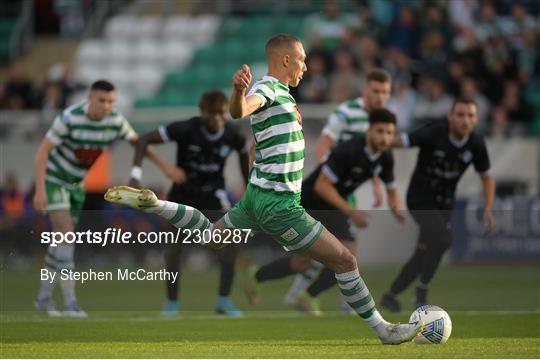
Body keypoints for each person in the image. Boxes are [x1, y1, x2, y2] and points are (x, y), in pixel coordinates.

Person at [104, 33, 422, 344]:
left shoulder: (281, 92)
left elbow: (260, 131)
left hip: (256, 197)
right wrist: (237, 93)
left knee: (211, 238)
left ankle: (154, 203)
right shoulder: (267, 87)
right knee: (345, 260)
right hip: (280, 204)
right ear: (286, 59)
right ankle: (385, 330)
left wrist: (256, 147)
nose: (306, 68)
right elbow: (241, 110)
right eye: (302, 60)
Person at [33, 80, 178, 317]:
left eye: (111, 101)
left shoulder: (115, 121)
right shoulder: (70, 118)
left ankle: (43, 298)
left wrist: (165, 167)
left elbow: (138, 143)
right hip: (55, 180)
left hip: (77, 186)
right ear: (90, 98)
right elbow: (43, 151)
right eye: (101, 100)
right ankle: (70, 302)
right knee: (66, 236)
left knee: (60, 243)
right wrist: (40, 189)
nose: (106, 106)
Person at [244, 108, 404, 316]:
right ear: (369, 131)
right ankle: (258, 276)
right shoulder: (348, 151)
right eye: (380, 131)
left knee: (346, 257)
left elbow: (392, 190)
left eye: (389, 133)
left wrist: (397, 210)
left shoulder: (385, 157)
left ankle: (307, 295)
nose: (384, 138)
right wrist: (352, 212)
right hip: (311, 202)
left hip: (335, 207)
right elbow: (322, 186)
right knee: (303, 262)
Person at [130, 90, 249, 317]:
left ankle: (223, 301)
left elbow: (244, 157)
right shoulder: (185, 129)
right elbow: (142, 139)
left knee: (230, 242)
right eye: (211, 113)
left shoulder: (233, 136)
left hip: (214, 196)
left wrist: (249, 190)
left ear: (227, 113)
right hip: (182, 196)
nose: (216, 118)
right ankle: (171, 304)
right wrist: (138, 175)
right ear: (202, 112)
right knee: (174, 250)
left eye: (221, 113)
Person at [285, 68, 393, 311]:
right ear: (365, 89)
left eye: (385, 92)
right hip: (332, 190)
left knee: (330, 249)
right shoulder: (346, 113)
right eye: (375, 91)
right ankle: (346, 303)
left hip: (346, 189)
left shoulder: (382, 120)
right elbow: (324, 144)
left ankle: (300, 295)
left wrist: (377, 184)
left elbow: (374, 157)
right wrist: (329, 179)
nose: (380, 97)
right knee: (338, 249)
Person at [380, 97, 495, 312]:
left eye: (470, 115)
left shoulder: (476, 144)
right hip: (419, 199)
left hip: (444, 205)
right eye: (460, 114)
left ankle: (391, 295)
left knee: (423, 251)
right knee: (443, 238)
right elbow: (401, 141)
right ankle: (421, 291)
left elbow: (487, 177)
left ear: (476, 119)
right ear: (450, 117)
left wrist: (488, 207)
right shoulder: (434, 133)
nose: (465, 120)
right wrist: (380, 143)